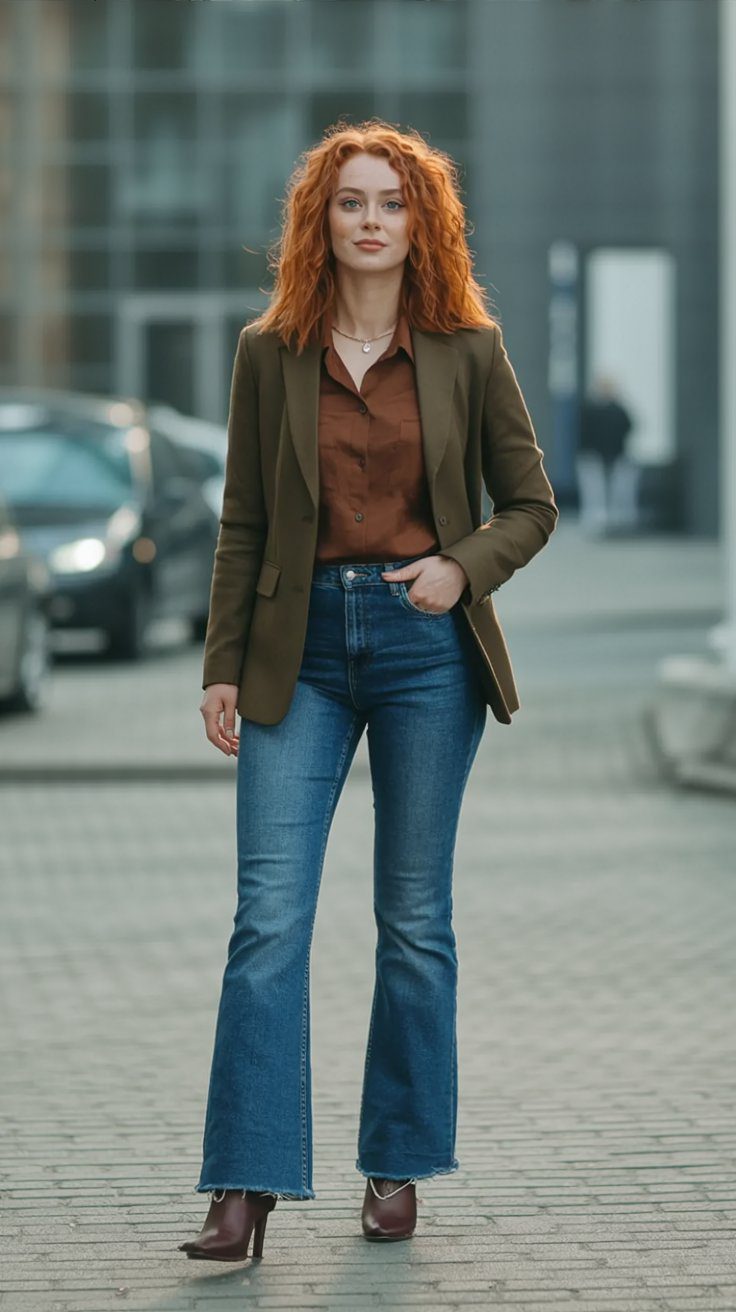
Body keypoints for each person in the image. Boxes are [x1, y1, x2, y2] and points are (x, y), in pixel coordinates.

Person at [178, 120, 558, 1262]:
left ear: (420, 220)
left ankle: (395, 1159)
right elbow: (243, 521)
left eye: (391, 201)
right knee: (268, 920)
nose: (371, 220)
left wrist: (459, 568)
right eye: (350, 202)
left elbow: (529, 504)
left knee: (412, 921)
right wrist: (221, 663)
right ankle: (243, 1188)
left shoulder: (466, 349)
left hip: (423, 649)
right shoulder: (269, 350)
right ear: (321, 221)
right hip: (297, 653)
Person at [576, 374, 638, 535]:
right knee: (595, 491)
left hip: (616, 454)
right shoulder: (591, 409)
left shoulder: (618, 410)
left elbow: (628, 428)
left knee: (620, 490)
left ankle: (619, 521)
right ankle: (596, 521)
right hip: (594, 455)